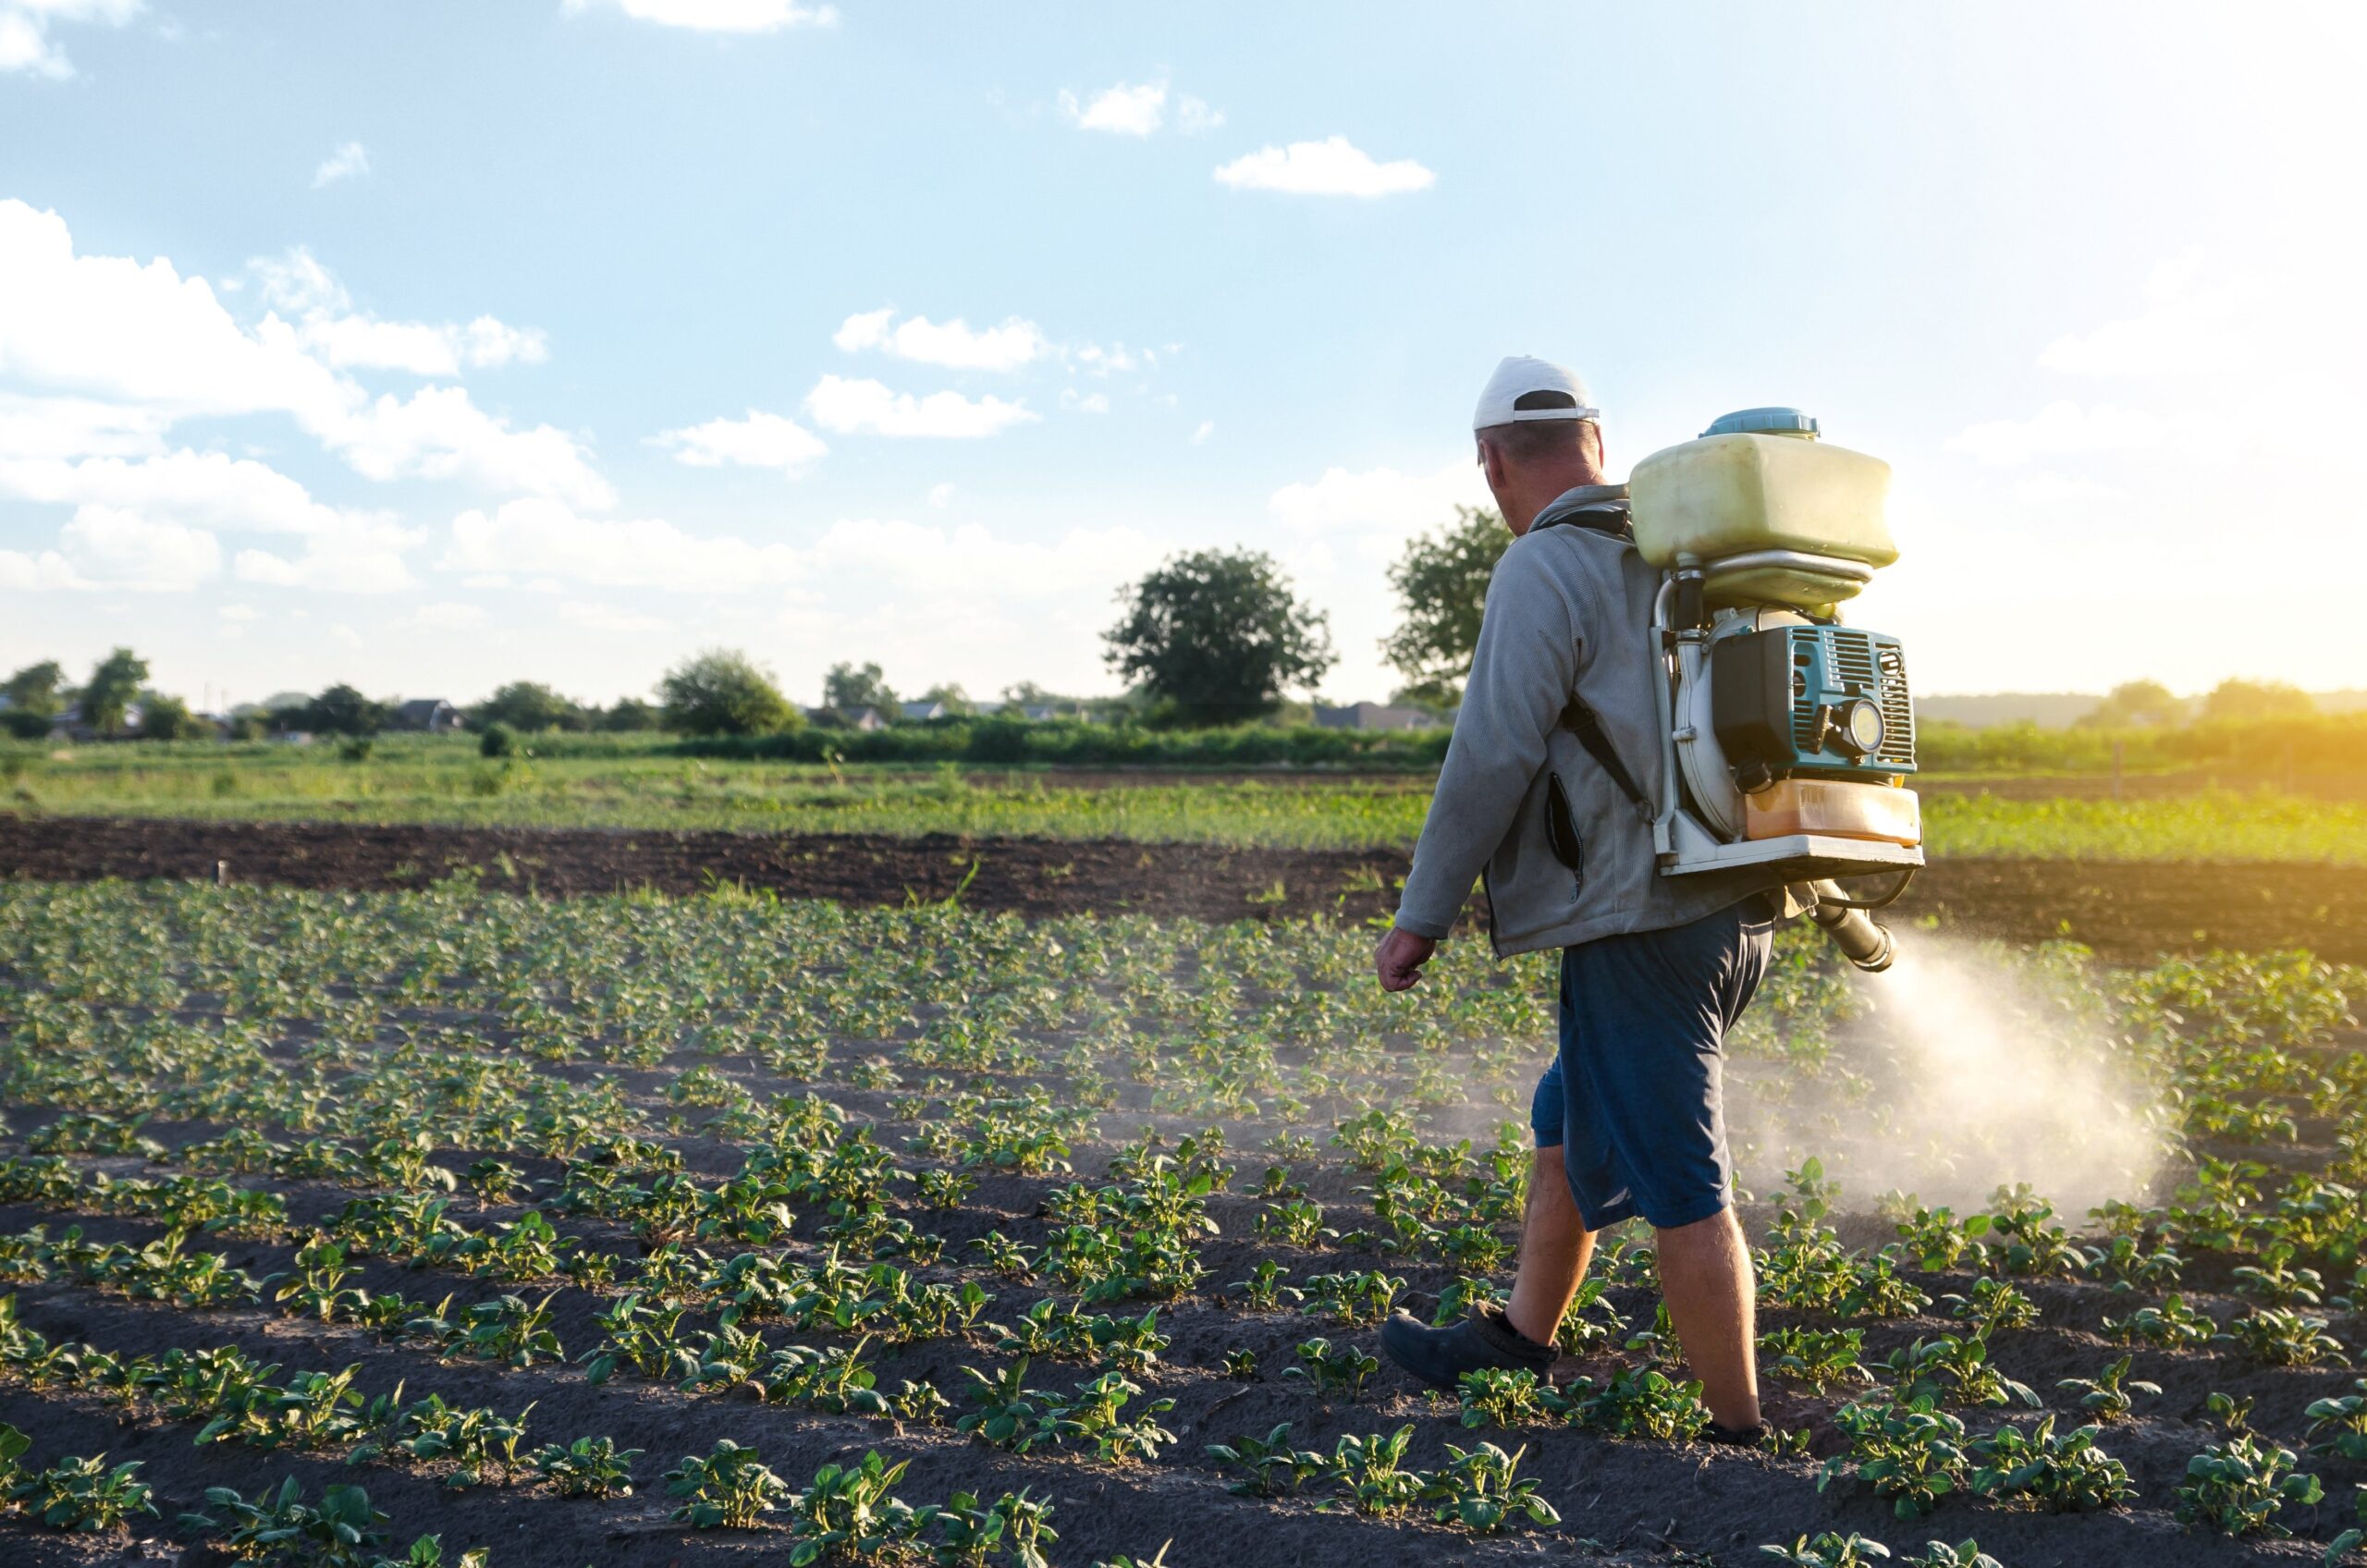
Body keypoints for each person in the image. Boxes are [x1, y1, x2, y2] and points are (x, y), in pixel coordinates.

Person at [1371, 355, 1788, 1443]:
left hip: (1638, 921)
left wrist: (1423, 913)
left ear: (1490, 459)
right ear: (1598, 443)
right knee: (1567, 1111)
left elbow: (1490, 751)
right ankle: (1518, 1336)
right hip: (1735, 906)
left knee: (1684, 1180)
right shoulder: (1686, 550)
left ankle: (1738, 1435)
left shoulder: (1542, 566)